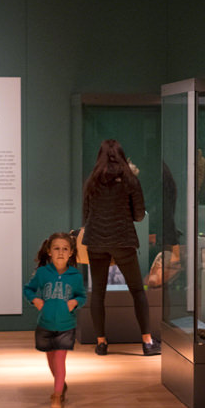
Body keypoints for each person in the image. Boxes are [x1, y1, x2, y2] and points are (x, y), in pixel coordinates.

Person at [81, 139, 160, 356]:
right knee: (137, 290)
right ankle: (147, 342)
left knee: (98, 292)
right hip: (123, 241)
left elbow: (85, 215)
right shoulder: (130, 180)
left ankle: (101, 343)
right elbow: (139, 215)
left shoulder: (92, 181)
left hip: (96, 241)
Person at [23, 232, 86, 408]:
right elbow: (28, 289)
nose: (61, 252)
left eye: (65, 249)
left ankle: (57, 395)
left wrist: (74, 303)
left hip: (67, 325)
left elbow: (81, 295)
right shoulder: (43, 273)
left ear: (71, 253)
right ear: (49, 251)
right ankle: (61, 383)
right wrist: (35, 300)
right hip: (45, 324)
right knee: (50, 359)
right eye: (56, 248)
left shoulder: (75, 275)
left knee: (60, 358)